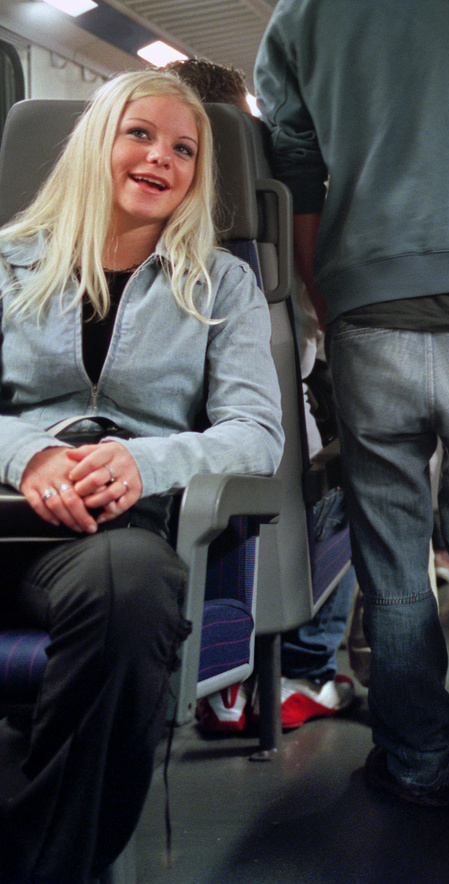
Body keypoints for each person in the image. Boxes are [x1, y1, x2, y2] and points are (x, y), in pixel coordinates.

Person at [255, 0, 449, 814]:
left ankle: (419, 759)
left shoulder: (301, 17)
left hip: (368, 310)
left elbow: (297, 171)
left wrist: (332, 299)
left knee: (393, 560)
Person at [0, 70, 282, 882]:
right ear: (100, 142)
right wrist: (32, 455)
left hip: (106, 533)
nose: (162, 158)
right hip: (7, 510)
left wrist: (145, 458)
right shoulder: (12, 263)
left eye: (184, 150)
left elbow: (257, 433)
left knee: (131, 587)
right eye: (141, 135)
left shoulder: (221, 283)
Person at [161, 57, 357, 735]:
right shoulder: (278, 226)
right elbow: (315, 336)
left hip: (129, 473)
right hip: (261, 470)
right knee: (366, 474)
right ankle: (303, 666)